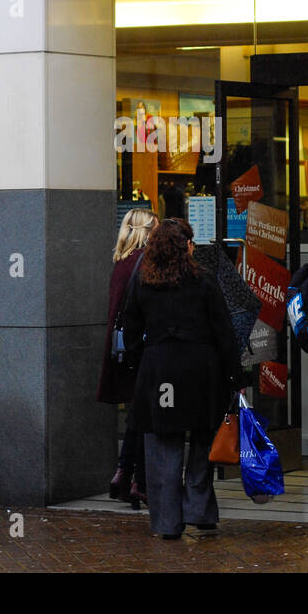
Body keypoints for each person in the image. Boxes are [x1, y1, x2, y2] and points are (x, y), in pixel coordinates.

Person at [123, 218, 243, 540]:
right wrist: (235, 375)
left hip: (159, 370)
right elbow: (224, 332)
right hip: (201, 371)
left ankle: (167, 522)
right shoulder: (203, 281)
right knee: (203, 442)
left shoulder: (144, 281)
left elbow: (130, 329)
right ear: (187, 246)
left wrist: (140, 364)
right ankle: (199, 511)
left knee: (163, 446)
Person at [98, 208, 158, 509]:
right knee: (145, 415)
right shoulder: (145, 263)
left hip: (123, 350)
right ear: (146, 231)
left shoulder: (121, 262)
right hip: (141, 350)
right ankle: (138, 481)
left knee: (138, 413)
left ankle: (125, 475)